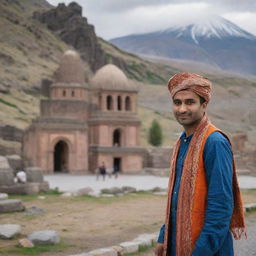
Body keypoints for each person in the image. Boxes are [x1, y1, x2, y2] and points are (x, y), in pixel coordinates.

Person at [155, 73, 246, 256]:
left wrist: (201, 251)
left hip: (206, 249)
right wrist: (163, 237)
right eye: (177, 102)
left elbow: (220, 207)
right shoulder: (182, 142)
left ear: (203, 105)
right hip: (176, 245)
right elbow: (176, 198)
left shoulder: (214, 142)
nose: (182, 109)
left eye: (190, 102)